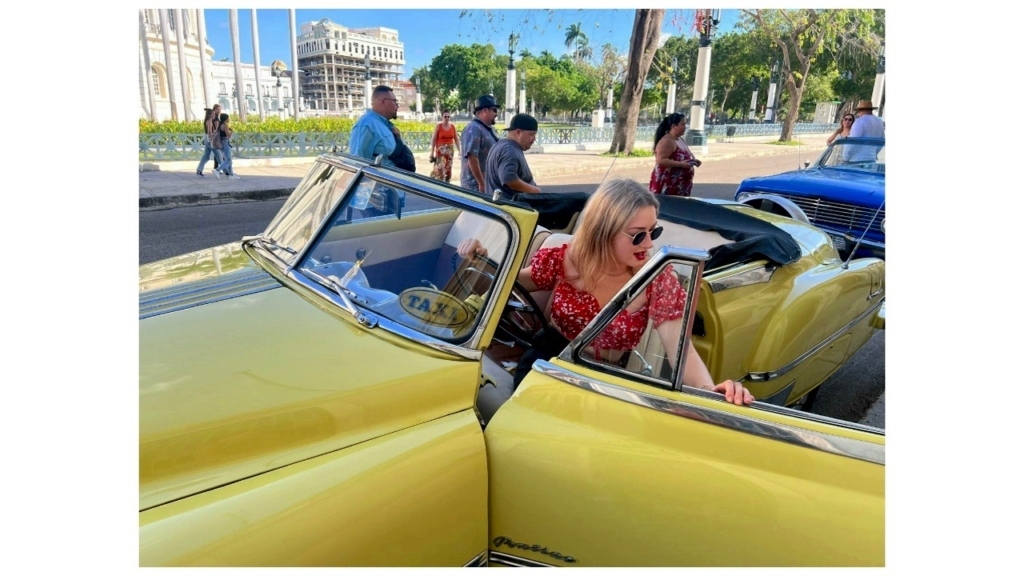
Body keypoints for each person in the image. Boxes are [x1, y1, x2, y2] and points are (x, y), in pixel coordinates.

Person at [458, 179, 754, 406]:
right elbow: (510, 284)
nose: (649, 244)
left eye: (654, 231)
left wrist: (709, 391)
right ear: (603, 231)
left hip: (612, 376)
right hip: (550, 361)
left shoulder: (657, 277)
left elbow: (681, 348)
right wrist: (482, 259)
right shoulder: (567, 259)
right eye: (638, 234)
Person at [485, 113, 540, 200]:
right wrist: (534, 191)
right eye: (531, 134)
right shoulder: (509, 151)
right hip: (509, 208)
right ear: (518, 132)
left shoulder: (503, 145)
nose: (534, 139)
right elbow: (509, 179)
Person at [348, 85, 402, 166]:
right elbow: (357, 163)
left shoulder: (383, 124)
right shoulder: (366, 125)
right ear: (384, 102)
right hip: (381, 178)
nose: (397, 105)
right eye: (394, 101)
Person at [649, 112, 702, 197]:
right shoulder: (667, 141)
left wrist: (693, 161)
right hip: (668, 186)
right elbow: (661, 160)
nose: (685, 127)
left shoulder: (680, 139)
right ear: (674, 126)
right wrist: (681, 164)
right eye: (682, 124)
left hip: (680, 187)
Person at [459, 95, 500, 193]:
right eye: (494, 110)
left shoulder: (487, 128)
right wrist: (481, 183)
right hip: (475, 187)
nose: (496, 113)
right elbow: (472, 157)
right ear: (485, 110)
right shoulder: (474, 128)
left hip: (487, 184)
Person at [429, 111, 460, 183]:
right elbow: (434, 140)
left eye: (448, 116)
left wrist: (459, 150)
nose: (447, 118)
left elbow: (456, 139)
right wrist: (431, 152)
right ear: (442, 117)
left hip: (450, 153)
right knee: (440, 169)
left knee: (448, 169)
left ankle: (447, 184)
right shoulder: (439, 127)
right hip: (440, 153)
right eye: (445, 116)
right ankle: (437, 183)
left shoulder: (452, 127)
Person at [196, 104, 221, 176]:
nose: (214, 115)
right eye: (213, 114)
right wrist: (213, 137)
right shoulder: (209, 121)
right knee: (218, 155)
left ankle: (199, 170)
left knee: (206, 156)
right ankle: (227, 171)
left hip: (207, 139)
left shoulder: (207, 120)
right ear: (209, 115)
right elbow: (210, 131)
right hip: (210, 140)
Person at [214, 113, 240, 180]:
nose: (229, 119)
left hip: (221, 143)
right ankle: (217, 170)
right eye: (228, 118)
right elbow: (228, 136)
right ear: (226, 119)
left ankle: (231, 175)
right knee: (228, 160)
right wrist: (231, 131)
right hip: (225, 142)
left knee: (229, 159)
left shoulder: (220, 124)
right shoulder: (225, 125)